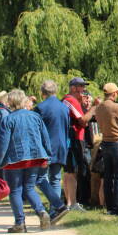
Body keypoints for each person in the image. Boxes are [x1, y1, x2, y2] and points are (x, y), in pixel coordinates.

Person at [0, 89, 65, 232]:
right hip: (35, 157)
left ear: (10, 102)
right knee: (29, 187)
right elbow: (45, 138)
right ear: (24, 100)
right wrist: (47, 155)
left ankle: (20, 223)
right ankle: (41, 211)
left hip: (14, 159)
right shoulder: (35, 116)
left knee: (15, 190)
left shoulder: (8, 119)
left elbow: (2, 144)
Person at [33, 80, 71, 223]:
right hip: (61, 146)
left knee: (40, 178)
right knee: (55, 178)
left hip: (46, 148)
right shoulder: (64, 107)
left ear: (42, 93)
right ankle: (55, 211)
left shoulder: (40, 108)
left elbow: (36, 131)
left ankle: (57, 205)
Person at [62, 77, 96, 211]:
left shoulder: (72, 100)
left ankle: (69, 202)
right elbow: (83, 121)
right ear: (73, 88)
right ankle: (73, 202)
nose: (83, 89)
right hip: (75, 138)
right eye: (81, 86)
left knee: (69, 171)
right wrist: (94, 108)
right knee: (72, 171)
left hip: (73, 138)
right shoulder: (70, 100)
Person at [96, 83, 118, 215]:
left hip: (105, 143)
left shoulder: (99, 107)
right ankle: (117, 208)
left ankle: (109, 207)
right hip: (117, 143)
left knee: (108, 176)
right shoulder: (116, 107)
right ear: (114, 94)